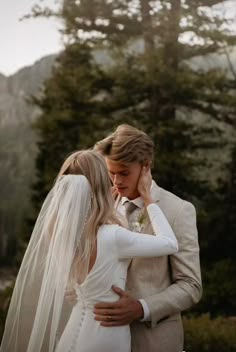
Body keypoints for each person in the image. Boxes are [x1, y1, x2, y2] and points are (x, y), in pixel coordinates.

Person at [0, 150, 178, 352]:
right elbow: (170, 243)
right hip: (107, 335)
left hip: (73, 330)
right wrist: (148, 199)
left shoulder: (57, 233)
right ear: (101, 186)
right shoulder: (113, 236)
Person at [94, 124, 202, 352]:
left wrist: (141, 308)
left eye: (124, 173)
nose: (116, 182)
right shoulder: (102, 207)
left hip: (154, 342)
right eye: (111, 172)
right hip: (102, 338)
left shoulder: (178, 210)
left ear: (146, 167)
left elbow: (191, 285)